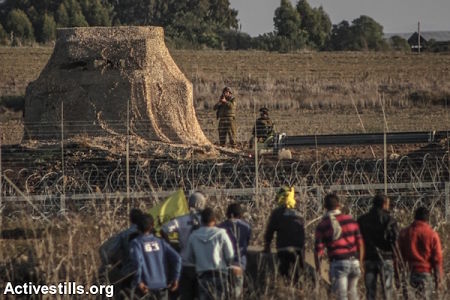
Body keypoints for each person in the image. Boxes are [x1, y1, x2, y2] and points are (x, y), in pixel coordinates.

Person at [314, 193, 364, 300]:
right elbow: (360, 243)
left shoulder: (323, 224)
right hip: (354, 262)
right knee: (353, 294)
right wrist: (360, 262)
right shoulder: (351, 220)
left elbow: (318, 250)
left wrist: (318, 269)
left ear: (325, 207)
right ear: (339, 205)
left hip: (338, 263)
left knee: (341, 296)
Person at [160, 191, 206, 300]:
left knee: (186, 295)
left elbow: (164, 229)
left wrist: (170, 245)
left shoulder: (181, 220)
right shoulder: (206, 220)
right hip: (202, 264)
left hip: (185, 263)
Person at [129, 213, 182, 300]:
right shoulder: (160, 242)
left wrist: (139, 281)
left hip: (146, 286)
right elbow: (178, 259)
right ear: (152, 226)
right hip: (162, 285)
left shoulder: (136, 243)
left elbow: (138, 263)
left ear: (138, 227)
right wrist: (176, 278)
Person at [186, 207, 235, 300]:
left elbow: (188, 257)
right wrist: (228, 263)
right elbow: (230, 254)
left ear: (201, 220)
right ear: (214, 220)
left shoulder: (194, 235)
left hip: (202, 276)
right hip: (220, 274)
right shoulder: (221, 233)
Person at [357, 194, 399, 300]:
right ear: (384, 204)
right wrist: (397, 258)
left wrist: (360, 258)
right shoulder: (390, 220)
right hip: (386, 258)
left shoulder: (362, 220)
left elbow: (358, 240)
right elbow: (395, 240)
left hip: (369, 258)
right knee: (387, 290)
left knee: (370, 291)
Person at [398, 206, 443, 300]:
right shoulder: (432, 234)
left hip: (409, 273)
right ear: (427, 219)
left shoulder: (405, 233)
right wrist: (438, 278)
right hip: (425, 273)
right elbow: (437, 258)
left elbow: (398, 255)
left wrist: (397, 275)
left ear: (415, 217)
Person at [264, 186, 305, 281]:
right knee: (297, 277)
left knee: (284, 275)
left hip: (283, 248)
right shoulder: (299, 213)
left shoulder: (277, 213)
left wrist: (267, 246)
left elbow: (270, 230)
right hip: (298, 249)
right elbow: (302, 234)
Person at [99, 208, 143, 288]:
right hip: (151, 273)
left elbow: (107, 251)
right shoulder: (151, 235)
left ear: (130, 219)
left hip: (130, 272)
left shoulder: (124, 235)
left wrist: (109, 264)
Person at [218, 203, 252, 298]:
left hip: (223, 265)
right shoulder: (246, 227)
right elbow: (247, 242)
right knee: (236, 294)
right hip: (239, 265)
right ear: (240, 214)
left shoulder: (221, 227)